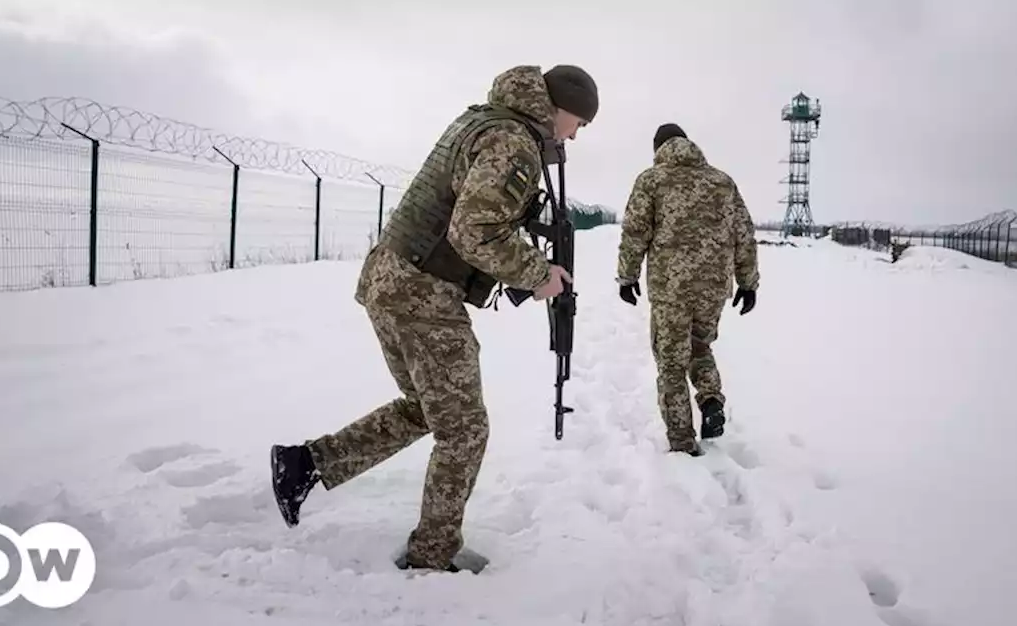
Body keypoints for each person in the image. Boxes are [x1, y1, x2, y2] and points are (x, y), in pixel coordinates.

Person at [269, 64, 598, 572]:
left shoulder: (488, 121)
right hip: (420, 291)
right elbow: (473, 231)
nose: (577, 134)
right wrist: (537, 275)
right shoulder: (512, 141)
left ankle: (304, 464)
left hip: (394, 280)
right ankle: (432, 555)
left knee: (428, 410)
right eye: (580, 122)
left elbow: (471, 222)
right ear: (561, 108)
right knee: (464, 428)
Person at [615, 123, 759, 456]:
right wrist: (748, 282)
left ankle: (682, 444)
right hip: (713, 289)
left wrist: (627, 276)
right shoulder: (722, 182)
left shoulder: (651, 180)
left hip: (671, 290)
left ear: (658, 149)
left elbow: (635, 232)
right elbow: (744, 235)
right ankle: (710, 400)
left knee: (671, 364)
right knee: (700, 347)